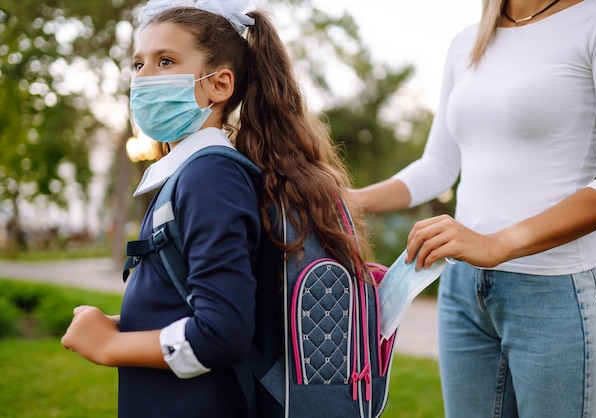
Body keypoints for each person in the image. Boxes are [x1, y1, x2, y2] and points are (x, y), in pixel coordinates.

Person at [61, 0, 371, 417]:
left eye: (165, 61)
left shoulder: (210, 178)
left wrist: (109, 345)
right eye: (138, 65)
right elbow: (194, 299)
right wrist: (122, 323)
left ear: (219, 85)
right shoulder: (192, 174)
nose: (144, 79)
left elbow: (221, 333)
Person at [354, 0, 596, 416]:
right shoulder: (467, 42)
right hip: (463, 292)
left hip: (557, 294)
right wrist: (343, 201)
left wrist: (498, 243)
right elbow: (438, 167)